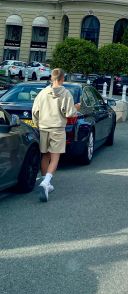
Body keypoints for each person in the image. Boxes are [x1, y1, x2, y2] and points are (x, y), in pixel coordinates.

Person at [32, 67, 80, 202]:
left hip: (43, 128)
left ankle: (46, 183)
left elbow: (35, 111)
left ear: (51, 78)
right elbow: (70, 113)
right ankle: (46, 183)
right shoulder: (65, 93)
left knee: (45, 156)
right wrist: (76, 108)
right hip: (57, 129)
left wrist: (37, 124)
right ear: (63, 78)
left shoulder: (42, 93)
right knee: (55, 157)